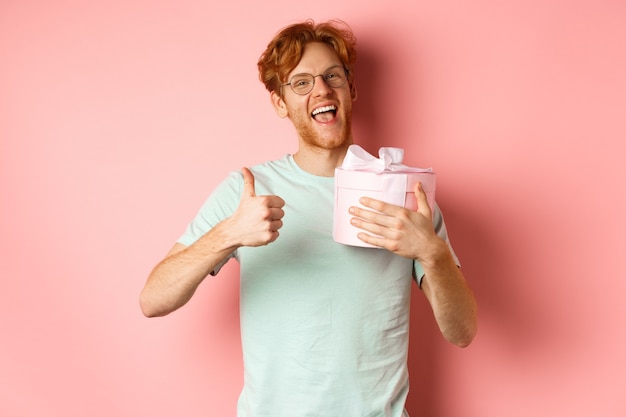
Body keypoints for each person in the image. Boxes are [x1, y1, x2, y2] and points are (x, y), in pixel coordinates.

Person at [140, 19, 477, 417]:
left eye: (332, 75)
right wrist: (228, 234)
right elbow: (153, 300)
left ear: (350, 88)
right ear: (280, 102)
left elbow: (463, 331)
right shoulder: (247, 189)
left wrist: (432, 253)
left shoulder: (405, 192)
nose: (321, 89)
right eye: (301, 82)